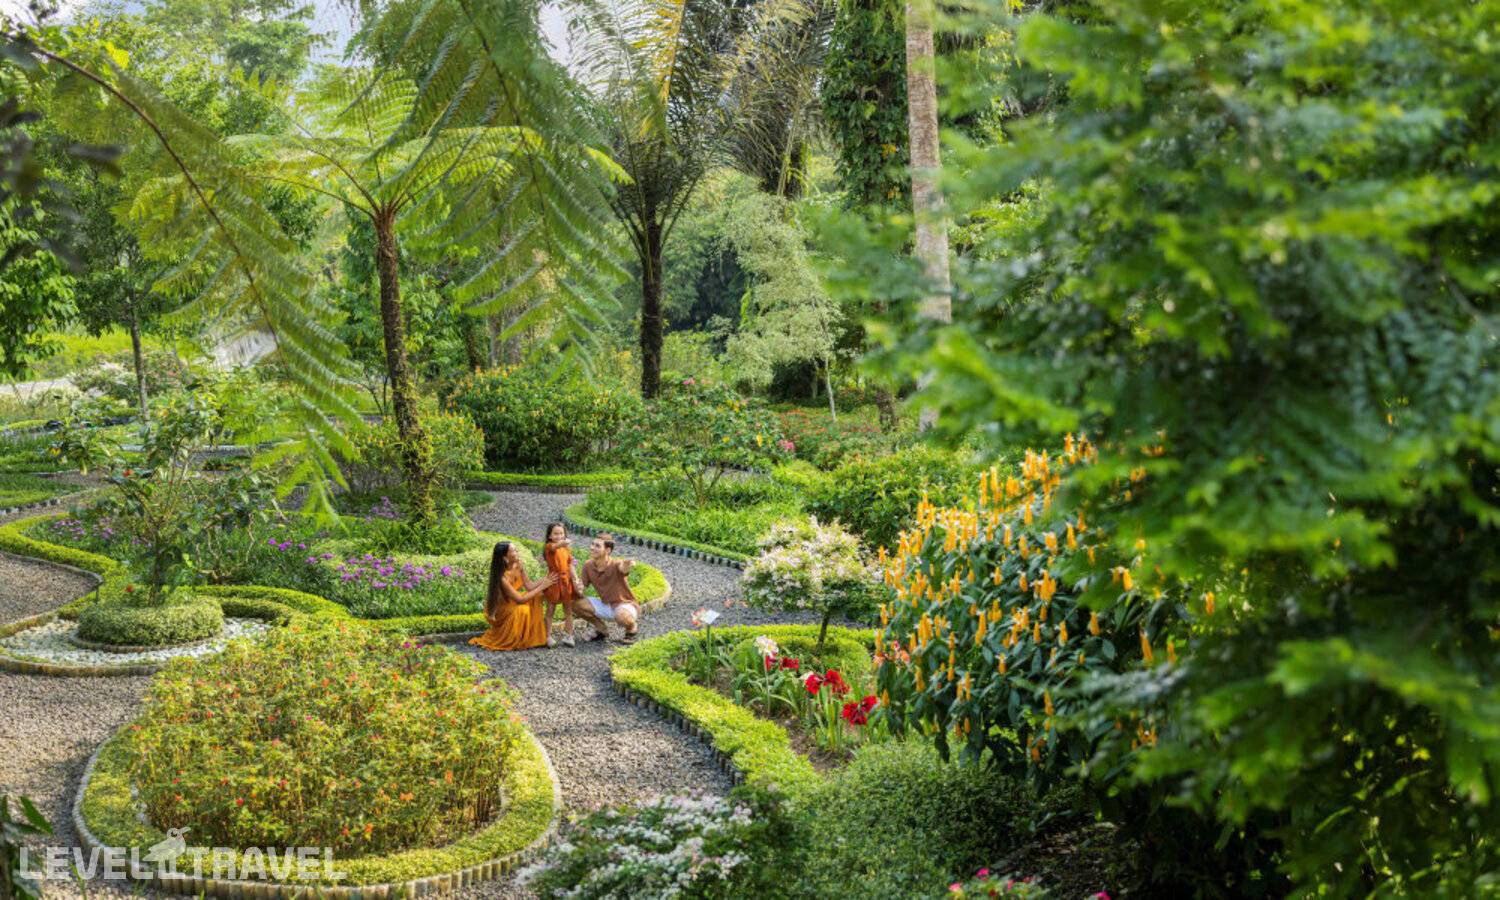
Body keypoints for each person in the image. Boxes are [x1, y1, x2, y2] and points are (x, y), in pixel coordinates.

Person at [470, 541, 557, 652]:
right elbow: (520, 600)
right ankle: (516, 640)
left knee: (537, 596)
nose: (517, 552)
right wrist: (543, 586)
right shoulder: (502, 578)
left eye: (516, 550)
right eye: (514, 551)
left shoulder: (518, 564)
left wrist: (547, 579)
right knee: (522, 609)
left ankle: (531, 637)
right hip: (502, 609)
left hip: (513, 601)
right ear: (505, 557)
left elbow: (529, 586)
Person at [577, 533, 640, 644]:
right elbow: (582, 588)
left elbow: (623, 568)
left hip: (624, 605)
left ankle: (631, 628)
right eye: (592, 544)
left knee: (621, 616)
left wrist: (627, 564)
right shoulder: (588, 565)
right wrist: (578, 587)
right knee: (576, 603)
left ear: (608, 550)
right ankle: (601, 628)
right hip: (605, 605)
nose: (592, 548)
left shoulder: (616, 564)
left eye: (597, 546)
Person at [541, 522, 592, 648]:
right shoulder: (549, 546)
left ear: (565, 534)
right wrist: (562, 543)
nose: (559, 536)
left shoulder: (566, 548)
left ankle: (569, 635)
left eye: (561, 533)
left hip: (566, 580)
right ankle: (547, 636)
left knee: (568, 610)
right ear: (550, 536)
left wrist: (575, 579)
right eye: (555, 533)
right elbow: (554, 548)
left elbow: (570, 565)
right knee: (550, 609)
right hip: (554, 580)